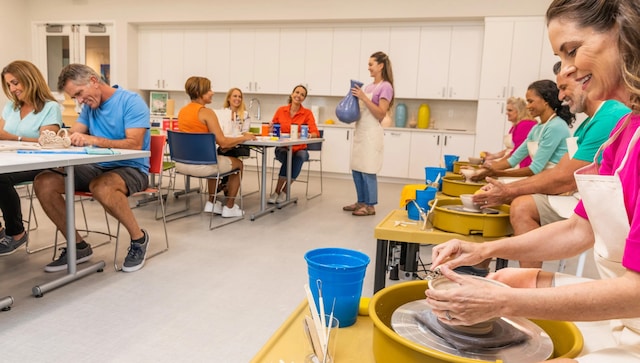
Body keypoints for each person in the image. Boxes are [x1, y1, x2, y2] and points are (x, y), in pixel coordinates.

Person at [426, 1, 640, 361]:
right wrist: (484, 250)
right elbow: (577, 230)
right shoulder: (622, 133)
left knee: (509, 294)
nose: (567, 71)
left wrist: (505, 302)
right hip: (628, 313)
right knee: (509, 279)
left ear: (626, 35)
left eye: (572, 51)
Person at [482, 64, 629, 268]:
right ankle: (490, 257)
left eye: (563, 88)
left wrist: (508, 190)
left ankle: (526, 278)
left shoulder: (609, 116)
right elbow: (561, 170)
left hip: (599, 205)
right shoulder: (587, 124)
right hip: (576, 194)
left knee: (522, 206)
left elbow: (563, 178)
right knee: (517, 202)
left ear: (586, 82)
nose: (560, 97)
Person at [33, 64, 151, 273]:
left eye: (79, 94)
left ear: (94, 81)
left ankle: (139, 238)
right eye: (75, 97)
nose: (79, 101)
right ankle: (79, 247)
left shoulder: (131, 102)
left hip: (132, 167)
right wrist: (56, 139)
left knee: (101, 187)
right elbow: (73, 134)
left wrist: (93, 140)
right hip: (96, 166)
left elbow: (135, 144)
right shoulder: (89, 107)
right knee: (44, 182)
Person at [0, 60, 63, 255]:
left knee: (0, 179)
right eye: (9, 84)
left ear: (30, 79)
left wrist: (14, 137)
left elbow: (46, 140)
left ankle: (16, 233)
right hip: (11, 159)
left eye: (15, 83)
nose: (12, 88)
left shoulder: (50, 107)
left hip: (39, 162)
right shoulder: (11, 107)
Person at [177, 77, 255, 216]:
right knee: (238, 165)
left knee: (214, 157)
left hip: (182, 164)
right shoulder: (206, 112)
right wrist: (244, 137)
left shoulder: (182, 111)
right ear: (200, 92)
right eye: (209, 90)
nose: (212, 93)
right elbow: (223, 142)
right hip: (202, 166)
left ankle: (212, 203)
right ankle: (229, 207)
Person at [472, 80, 574, 181]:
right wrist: (478, 171)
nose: (527, 106)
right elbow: (513, 159)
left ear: (545, 101)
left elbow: (535, 169)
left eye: (530, 101)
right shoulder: (536, 128)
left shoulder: (556, 126)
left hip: (554, 182)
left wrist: (497, 173)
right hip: (542, 179)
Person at [342, 51, 394, 216]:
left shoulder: (386, 87)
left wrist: (364, 98)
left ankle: (370, 206)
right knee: (357, 168)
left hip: (372, 133)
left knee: (368, 169)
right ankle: (361, 202)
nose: (369, 68)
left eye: (371, 64)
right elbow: (360, 110)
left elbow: (380, 114)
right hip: (360, 132)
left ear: (380, 66)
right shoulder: (368, 87)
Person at [268, 84, 319, 204]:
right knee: (287, 155)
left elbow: (315, 132)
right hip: (282, 148)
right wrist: (270, 128)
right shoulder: (281, 110)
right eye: (297, 92)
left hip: (300, 149)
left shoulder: (307, 113)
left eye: (302, 95)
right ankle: (276, 191)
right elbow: (273, 128)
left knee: (300, 156)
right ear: (292, 94)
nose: (299, 96)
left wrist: (309, 135)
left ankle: (283, 191)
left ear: (304, 98)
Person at [482, 97, 537, 168]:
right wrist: (494, 156)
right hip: (512, 161)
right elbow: (511, 149)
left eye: (510, 110)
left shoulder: (525, 125)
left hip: (520, 164)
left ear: (520, 111)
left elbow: (517, 151)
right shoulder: (516, 125)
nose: (506, 113)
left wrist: (498, 163)